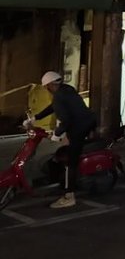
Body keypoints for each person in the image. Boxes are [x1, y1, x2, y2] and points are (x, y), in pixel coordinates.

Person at [23, 71, 97, 209]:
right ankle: (68, 182)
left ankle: (69, 196)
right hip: (88, 121)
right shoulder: (67, 89)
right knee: (66, 152)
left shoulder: (59, 96)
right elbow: (54, 107)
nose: (46, 89)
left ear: (51, 85)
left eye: (46, 87)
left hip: (79, 127)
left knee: (70, 161)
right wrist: (35, 118)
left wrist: (56, 134)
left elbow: (66, 120)